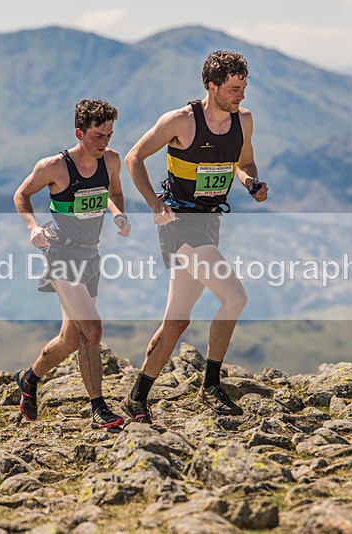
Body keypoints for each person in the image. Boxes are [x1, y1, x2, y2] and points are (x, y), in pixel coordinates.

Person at [120, 50, 269, 423]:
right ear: (212, 86)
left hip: (209, 223)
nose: (241, 96)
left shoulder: (243, 120)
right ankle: (211, 386)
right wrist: (154, 203)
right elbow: (133, 158)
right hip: (179, 224)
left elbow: (244, 162)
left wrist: (251, 182)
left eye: (244, 88)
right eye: (234, 89)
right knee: (235, 297)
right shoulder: (180, 121)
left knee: (176, 322)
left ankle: (136, 399)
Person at [13, 99, 131, 431]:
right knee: (92, 329)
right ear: (80, 133)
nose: (104, 142)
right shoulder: (55, 166)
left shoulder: (111, 160)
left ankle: (29, 379)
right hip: (61, 254)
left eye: (108, 135)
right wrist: (33, 227)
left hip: (90, 255)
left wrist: (118, 214)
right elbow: (21, 195)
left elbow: (114, 193)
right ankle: (98, 409)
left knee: (70, 339)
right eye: (97, 136)